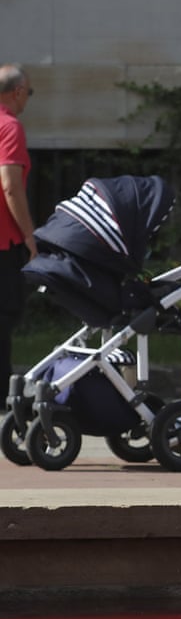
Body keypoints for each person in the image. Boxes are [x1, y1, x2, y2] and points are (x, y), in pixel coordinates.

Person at [0, 64, 37, 386]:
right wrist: (29, 236)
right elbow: (11, 186)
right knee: (4, 316)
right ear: (18, 92)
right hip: (3, 241)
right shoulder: (9, 127)